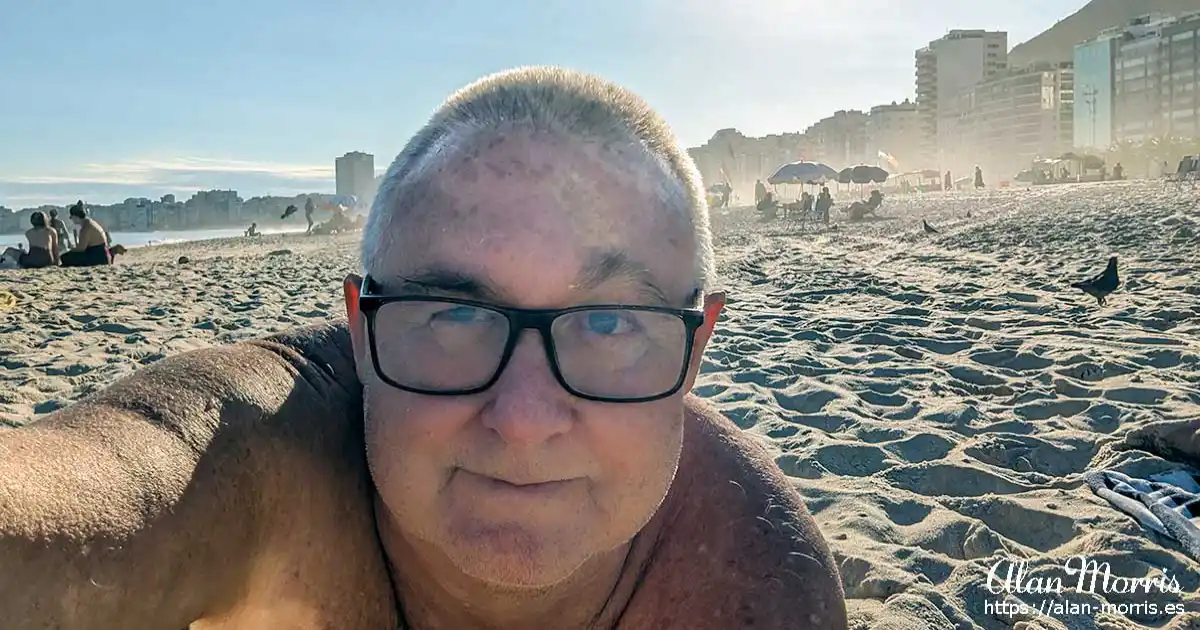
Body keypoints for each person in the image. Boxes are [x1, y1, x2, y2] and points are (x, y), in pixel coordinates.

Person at [0, 67, 847, 629]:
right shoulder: (264, 458)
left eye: (608, 322)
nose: (521, 421)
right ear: (361, 330)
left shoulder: (756, 588)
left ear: (694, 354)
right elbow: (111, 490)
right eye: (451, 314)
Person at [59, 201, 112, 267]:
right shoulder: (90, 222)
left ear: (75, 217)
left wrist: (70, 250)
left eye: (71, 217)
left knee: (64, 257)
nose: (71, 220)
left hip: (97, 258)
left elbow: (81, 249)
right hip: (103, 255)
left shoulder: (86, 228)